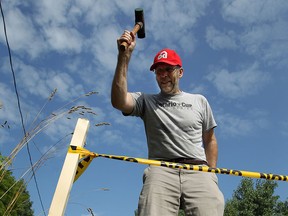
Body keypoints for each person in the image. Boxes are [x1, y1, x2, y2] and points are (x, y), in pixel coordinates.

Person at [111, 30, 225, 216]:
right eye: (158, 70)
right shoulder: (146, 101)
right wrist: (124, 56)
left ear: (180, 72)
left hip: (198, 170)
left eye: (168, 69)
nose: (163, 75)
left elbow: (210, 140)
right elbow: (119, 101)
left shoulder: (199, 101)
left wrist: (211, 175)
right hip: (161, 170)